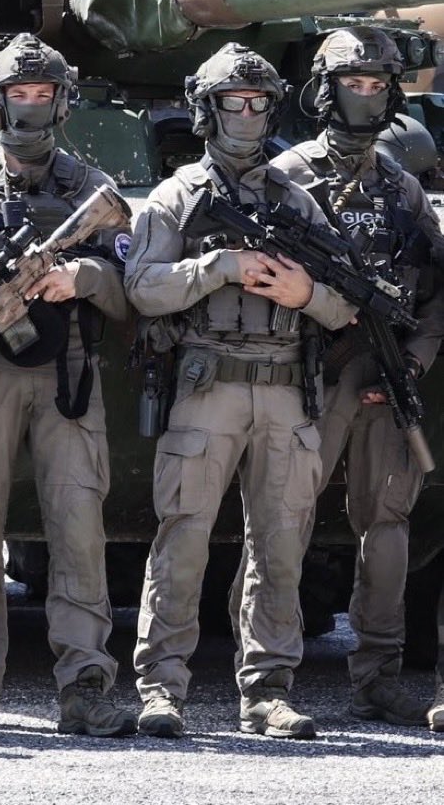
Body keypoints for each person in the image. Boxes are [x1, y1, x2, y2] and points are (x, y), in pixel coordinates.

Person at [125, 42, 355, 740]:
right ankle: (162, 688)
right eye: (234, 103)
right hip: (208, 385)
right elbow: (141, 288)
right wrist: (218, 266)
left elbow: (348, 306)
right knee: (183, 538)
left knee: (282, 544)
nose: (248, 116)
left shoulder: (299, 202)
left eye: (258, 104)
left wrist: (306, 291)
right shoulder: (178, 197)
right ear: (209, 109)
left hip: (286, 389)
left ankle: (268, 690)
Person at [0, 34, 136, 736]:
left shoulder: (92, 190)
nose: (31, 108)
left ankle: (86, 686)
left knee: (78, 530)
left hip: (66, 376)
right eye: (19, 94)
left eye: (43, 95)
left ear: (62, 102)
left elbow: (132, 288)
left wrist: (85, 278)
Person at [233, 28, 442, 727]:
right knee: (279, 525)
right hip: (304, 377)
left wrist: (412, 359)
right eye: (353, 83)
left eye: (378, 85)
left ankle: (378, 672)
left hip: (385, 378)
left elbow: (435, 290)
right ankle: (265, 680)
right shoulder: (287, 177)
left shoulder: (402, 186)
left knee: (387, 525)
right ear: (324, 91)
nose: (366, 96)